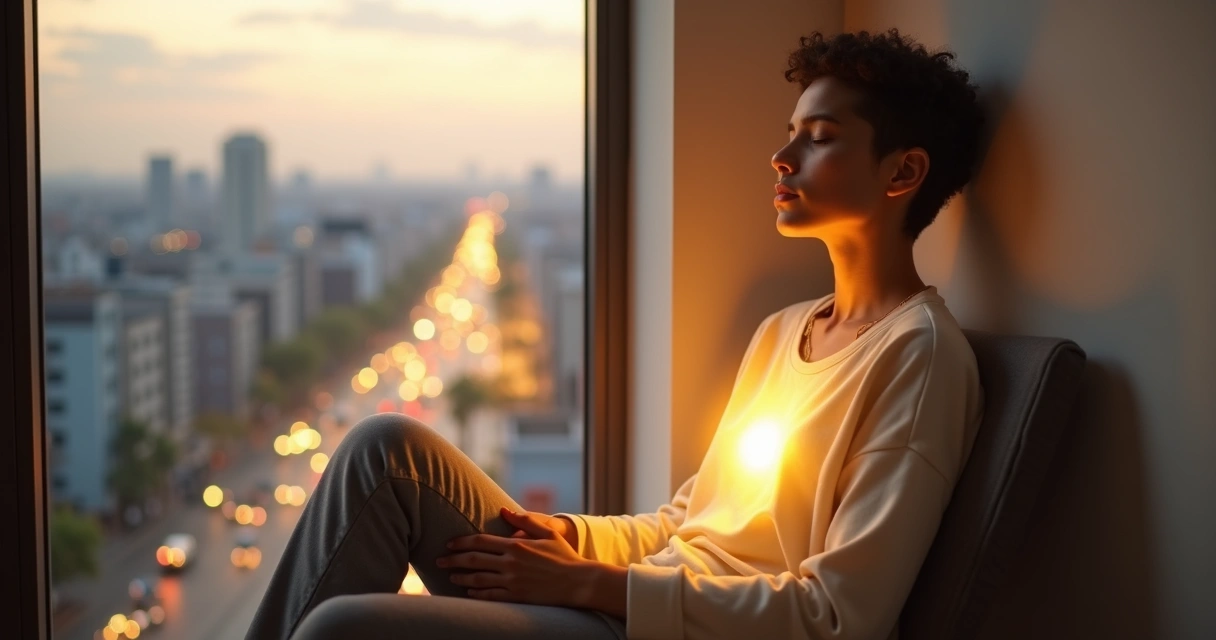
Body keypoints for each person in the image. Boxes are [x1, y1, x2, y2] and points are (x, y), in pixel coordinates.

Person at [245, 28, 986, 640]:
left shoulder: (919, 357)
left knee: (340, 627)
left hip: (656, 624)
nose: (782, 157)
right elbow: (686, 522)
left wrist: (589, 584)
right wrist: (567, 538)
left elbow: (839, 618)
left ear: (902, 172)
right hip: (636, 597)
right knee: (387, 452)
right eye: (790, 133)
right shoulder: (783, 332)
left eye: (820, 138)